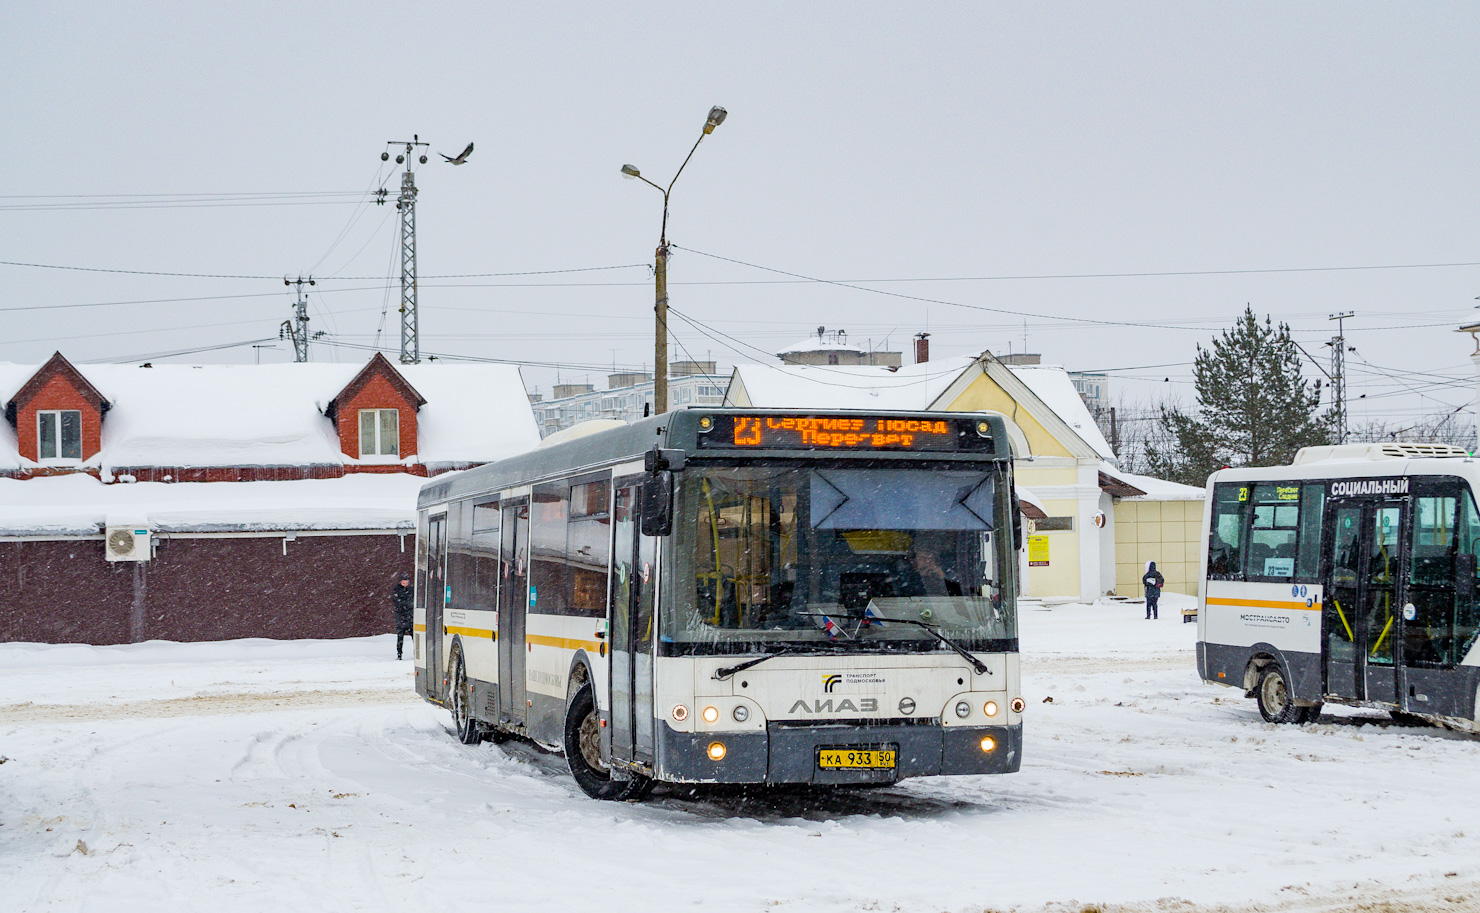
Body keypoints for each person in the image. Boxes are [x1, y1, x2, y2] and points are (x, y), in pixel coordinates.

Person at [392, 574, 414, 659]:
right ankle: (399, 654)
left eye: (406, 583)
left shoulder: (411, 590)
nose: (405, 584)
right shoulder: (397, 590)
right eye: (403, 583)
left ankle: (416, 654)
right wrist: (404, 605)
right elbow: (396, 601)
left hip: (410, 616)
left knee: (413, 636)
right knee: (400, 636)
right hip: (401, 616)